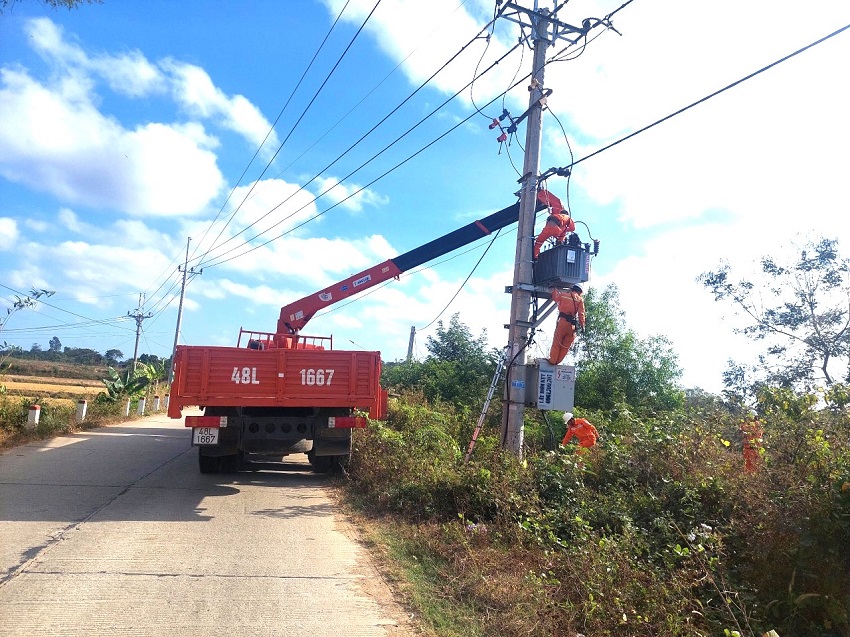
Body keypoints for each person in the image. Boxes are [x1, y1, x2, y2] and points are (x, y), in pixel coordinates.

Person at [547, 284, 585, 365]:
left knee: (557, 342)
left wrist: (555, 289)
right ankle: (558, 362)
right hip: (572, 326)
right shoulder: (580, 300)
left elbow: (555, 298)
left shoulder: (563, 295)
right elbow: (581, 314)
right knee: (566, 346)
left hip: (562, 322)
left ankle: (553, 360)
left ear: (572, 289)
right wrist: (582, 326)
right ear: (579, 292)